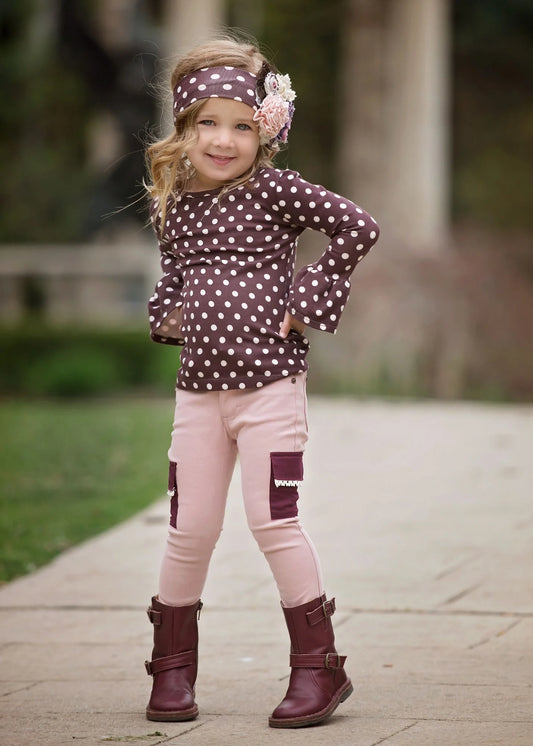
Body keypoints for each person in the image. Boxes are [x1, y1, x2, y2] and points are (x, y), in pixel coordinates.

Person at [143, 35, 379, 729]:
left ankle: (318, 667)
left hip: (269, 389)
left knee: (273, 520)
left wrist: (306, 299)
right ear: (185, 128)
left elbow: (357, 227)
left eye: (242, 126)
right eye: (207, 123)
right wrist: (172, 312)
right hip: (198, 395)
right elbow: (174, 274)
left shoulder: (274, 190)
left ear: (266, 131)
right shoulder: (175, 202)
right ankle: (171, 669)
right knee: (189, 527)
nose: (223, 140)